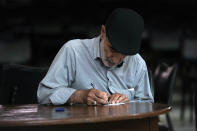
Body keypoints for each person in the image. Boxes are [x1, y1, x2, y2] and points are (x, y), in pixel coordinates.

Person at [37, 8, 153, 105]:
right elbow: (44, 94)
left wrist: (128, 103)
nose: (116, 60)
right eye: (112, 49)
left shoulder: (137, 63)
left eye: (124, 55)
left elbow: (147, 104)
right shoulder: (73, 51)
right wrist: (79, 96)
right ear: (103, 32)